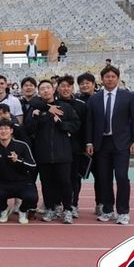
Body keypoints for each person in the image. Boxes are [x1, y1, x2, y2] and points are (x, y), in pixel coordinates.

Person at [85, 65, 134, 225]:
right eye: (107, 77)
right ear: (102, 79)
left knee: (122, 177)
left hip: (121, 143)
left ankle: (123, 211)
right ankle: (108, 210)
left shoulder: (128, 96)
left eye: (113, 76)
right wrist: (89, 142)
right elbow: (90, 122)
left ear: (117, 78)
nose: (110, 79)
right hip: (101, 144)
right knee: (104, 178)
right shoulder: (94, 98)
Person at [24, 80, 80, 224]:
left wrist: (61, 124)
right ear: (39, 92)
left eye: (48, 87)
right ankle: (50, 208)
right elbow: (28, 129)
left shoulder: (65, 107)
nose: (45, 91)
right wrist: (35, 118)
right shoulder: (34, 108)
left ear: (53, 90)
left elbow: (75, 125)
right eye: (42, 88)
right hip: (43, 153)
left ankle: (67, 209)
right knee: (46, 183)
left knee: (65, 182)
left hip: (63, 153)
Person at [0, 119, 38, 225]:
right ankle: (4, 209)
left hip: (22, 183)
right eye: (0, 129)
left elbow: (33, 166)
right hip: (2, 183)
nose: (3, 131)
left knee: (32, 198)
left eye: (6, 129)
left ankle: (22, 211)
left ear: (11, 131)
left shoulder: (22, 145)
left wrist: (18, 160)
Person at [56, 75, 88, 218]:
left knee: (74, 178)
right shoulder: (52, 104)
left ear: (72, 88)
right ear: (58, 88)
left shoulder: (81, 105)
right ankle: (57, 204)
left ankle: (73, 204)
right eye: (63, 86)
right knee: (59, 178)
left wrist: (87, 144)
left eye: (68, 86)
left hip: (76, 148)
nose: (66, 89)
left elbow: (86, 127)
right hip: (58, 149)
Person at [76, 72, 102, 213]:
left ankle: (100, 204)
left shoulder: (101, 99)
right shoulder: (76, 101)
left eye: (87, 83)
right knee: (76, 177)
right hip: (79, 146)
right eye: (81, 83)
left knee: (100, 177)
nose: (84, 85)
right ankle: (73, 205)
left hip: (98, 146)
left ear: (93, 84)